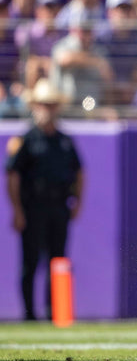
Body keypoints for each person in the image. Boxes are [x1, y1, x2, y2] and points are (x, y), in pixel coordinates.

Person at [5, 77, 83, 321]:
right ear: (35, 106)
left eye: (51, 104)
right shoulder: (27, 140)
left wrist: (78, 201)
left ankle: (55, 312)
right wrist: (17, 210)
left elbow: (79, 172)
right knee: (30, 263)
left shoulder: (65, 140)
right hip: (33, 207)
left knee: (58, 261)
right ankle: (29, 314)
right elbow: (13, 175)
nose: (47, 109)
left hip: (59, 205)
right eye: (43, 104)